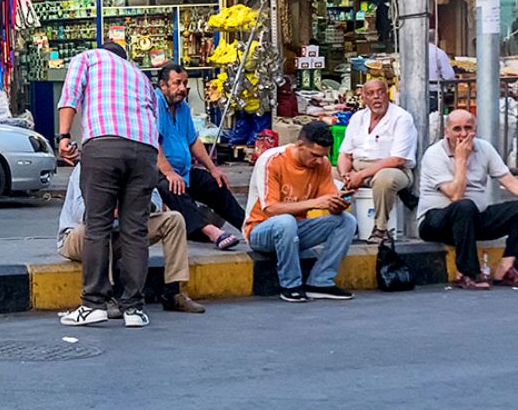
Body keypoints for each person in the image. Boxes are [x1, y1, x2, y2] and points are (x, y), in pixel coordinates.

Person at [56, 42, 160, 329]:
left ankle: (93, 304)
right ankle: (133, 309)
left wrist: (63, 137)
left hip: (104, 145)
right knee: (135, 231)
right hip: (144, 150)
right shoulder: (140, 76)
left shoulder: (87, 58)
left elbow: (70, 98)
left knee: (98, 226)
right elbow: (153, 118)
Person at [58, 162, 205, 314]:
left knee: (173, 220)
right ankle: (105, 297)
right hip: (78, 238)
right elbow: (79, 211)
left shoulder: (139, 162)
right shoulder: (89, 164)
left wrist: (133, 204)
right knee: (98, 227)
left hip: (124, 233)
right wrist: (108, 205)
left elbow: (155, 201)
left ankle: (173, 292)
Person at [243, 122, 356, 303]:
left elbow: (328, 200)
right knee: (286, 221)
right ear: (300, 146)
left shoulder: (322, 164)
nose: (319, 161)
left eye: (323, 156)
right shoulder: (272, 160)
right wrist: (315, 203)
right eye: (314, 155)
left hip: (296, 230)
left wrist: (339, 202)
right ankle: (291, 285)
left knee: (347, 221)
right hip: (261, 230)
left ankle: (320, 281)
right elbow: (271, 208)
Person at [417, 110, 518, 290]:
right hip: (437, 222)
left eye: (468, 128)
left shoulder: (484, 148)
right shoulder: (434, 154)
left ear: (475, 130)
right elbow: (456, 195)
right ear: (446, 131)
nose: (463, 134)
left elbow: (510, 182)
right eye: (457, 129)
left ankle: (507, 267)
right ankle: (468, 273)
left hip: (474, 219)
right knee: (464, 206)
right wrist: (461, 159)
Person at [154, 63, 246, 249]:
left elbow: (193, 140)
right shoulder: (154, 104)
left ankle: (249, 226)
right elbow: (152, 143)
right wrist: (169, 172)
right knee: (173, 186)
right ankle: (210, 231)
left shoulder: (183, 108)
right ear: (163, 85)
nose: (182, 88)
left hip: (183, 172)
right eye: (177, 83)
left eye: (185, 83)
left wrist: (213, 169)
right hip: (159, 172)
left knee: (214, 183)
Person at [337, 78, 417, 243]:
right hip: (358, 168)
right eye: (370, 94)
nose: (376, 97)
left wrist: (360, 176)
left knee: (384, 179)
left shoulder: (401, 118)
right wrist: (345, 174)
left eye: (380, 92)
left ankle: (380, 229)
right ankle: (339, 226)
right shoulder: (358, 118)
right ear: (364, 98)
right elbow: (345, 153)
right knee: (325, 172)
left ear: (387, 95)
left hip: (393, 170)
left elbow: (397, 159)